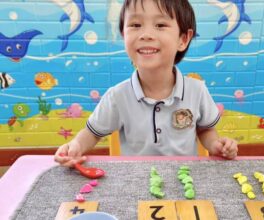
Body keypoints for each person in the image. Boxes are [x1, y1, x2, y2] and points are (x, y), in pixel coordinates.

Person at [54, 0, 238, 167]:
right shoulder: (117, 96)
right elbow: (92, 133)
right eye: (135, 25)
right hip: (136, 183)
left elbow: (205, 130)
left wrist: (216, 145)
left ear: (183, 39)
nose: (146, 34)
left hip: (185, 180)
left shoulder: (196, 90)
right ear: (123, 34)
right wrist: (75, 145)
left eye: (160, 25)